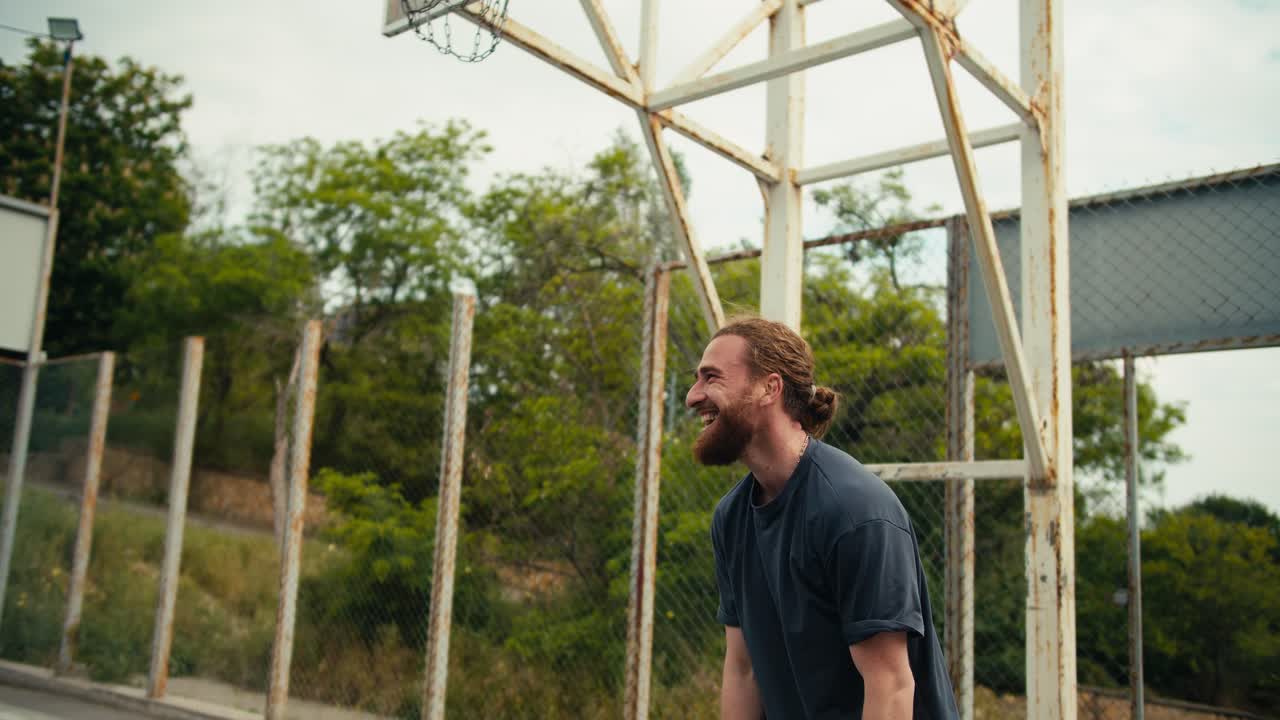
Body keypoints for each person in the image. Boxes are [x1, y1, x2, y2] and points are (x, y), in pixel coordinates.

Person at [686, 316, 958, 720]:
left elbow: (891, 685)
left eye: (712, 378)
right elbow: (743, 672)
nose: (693, 396)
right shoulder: (731, 517)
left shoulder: (854, 512)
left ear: (769, 388)